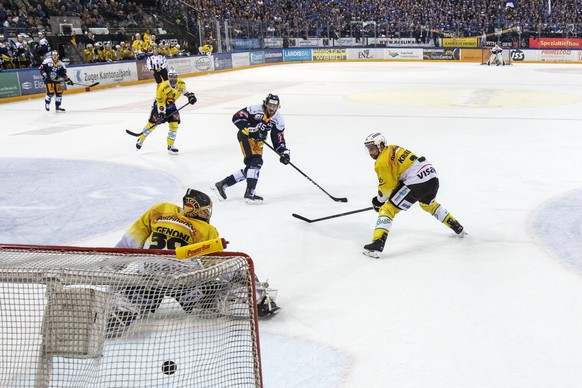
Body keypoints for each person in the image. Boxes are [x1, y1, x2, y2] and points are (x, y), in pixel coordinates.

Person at [110, 189, 279, 332]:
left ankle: (122, 311)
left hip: (149, 279)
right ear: (196, 210)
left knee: (127, 293)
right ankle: (256, 301)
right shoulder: (206, 229)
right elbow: (217, 264)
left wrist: (114, 266)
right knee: (217, 296)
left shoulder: (160, 210)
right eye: (205, 210)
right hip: (185, 282)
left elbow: (129, 241)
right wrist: (240, 275)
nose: (207, 214)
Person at [362, 132, 465, 258]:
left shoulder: (381, 162)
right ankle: (456, 225)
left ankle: (377, 244)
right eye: (369, 149)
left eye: (372, 148)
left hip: (416, 182)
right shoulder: (393, 148)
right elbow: (399, 175)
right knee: (428, 204)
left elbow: (387, 188)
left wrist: (378, 201)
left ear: (381, 145)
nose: (370, 152)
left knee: (387, 209)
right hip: (432, 177)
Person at [211, 93, 291, 204]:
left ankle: (222, 184)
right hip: (245, 136)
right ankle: (250, 193)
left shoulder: (278, 119)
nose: (272, 108)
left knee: (251, 168)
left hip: (258, 142)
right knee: (256, 162)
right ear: (265, 104)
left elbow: (278, 139)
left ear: (278, 106)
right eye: (270, 105)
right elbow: (237, 117)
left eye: (274, 106)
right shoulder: (254, 109)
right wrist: (251, 129)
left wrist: (284, 153)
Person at [135, 68, 197, 154]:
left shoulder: (181, 83)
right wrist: (161, 114)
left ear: (177, 77)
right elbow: (160, 102)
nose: (173, 79)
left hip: (171, 105)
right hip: (159, 106)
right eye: (171, 77)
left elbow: (183, 90)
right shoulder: (162, 87)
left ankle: (170, 145)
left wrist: (190, 96)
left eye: (175, 77)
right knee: (152, 125)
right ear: (168, 77)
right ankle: (141, 139)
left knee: (174, 125)